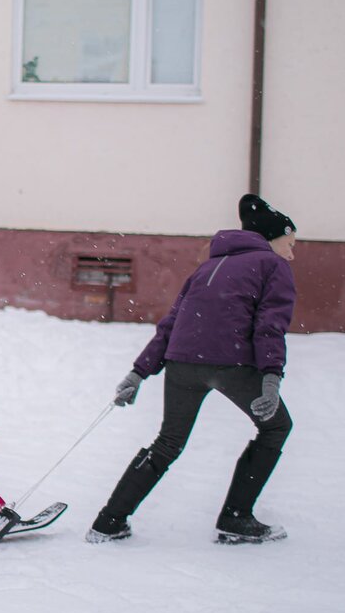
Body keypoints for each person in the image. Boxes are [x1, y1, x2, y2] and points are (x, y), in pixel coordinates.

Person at [87, 194, 298, 545]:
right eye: (289, 244)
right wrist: (271, 377)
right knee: (276, 426)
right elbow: (269, 325)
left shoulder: (206, 267)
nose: (291, 253)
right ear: (272, 239)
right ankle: (236, 518)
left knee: (168, 442)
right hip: (233, 363)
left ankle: (109, 521)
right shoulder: (272, 265)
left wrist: (139, 373)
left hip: (183, 364)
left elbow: (172, 323)